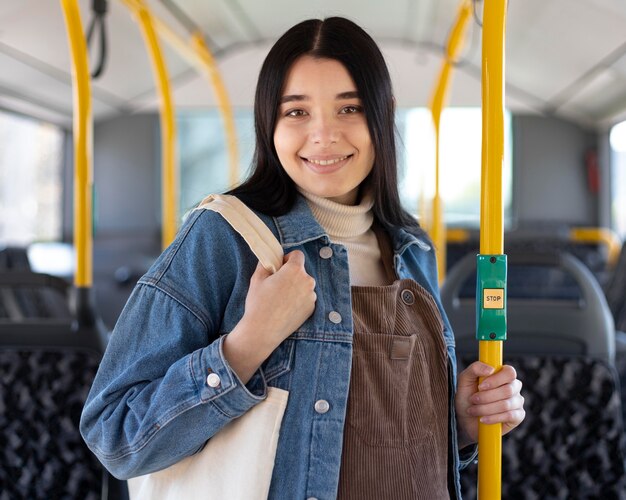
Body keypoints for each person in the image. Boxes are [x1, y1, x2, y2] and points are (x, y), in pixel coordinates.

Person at [80, 16, 524, 499]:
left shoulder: (413, 249)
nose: (323, 135)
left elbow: (384, 444)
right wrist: (247, 346)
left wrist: (458, 423)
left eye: (349, 108)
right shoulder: (224, 236)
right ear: (269, 122)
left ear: (383, 115)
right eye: (296, 112)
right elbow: (116, 436)